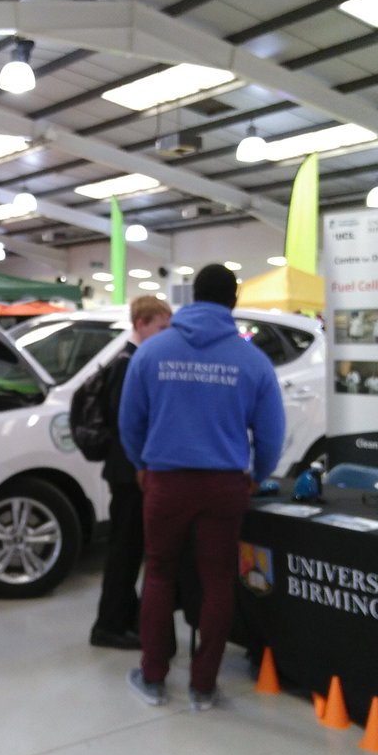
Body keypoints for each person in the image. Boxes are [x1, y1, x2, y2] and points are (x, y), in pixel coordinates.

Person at [119, 263, 285, 711]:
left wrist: (142, 464)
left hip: (166, 482)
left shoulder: (152, 353)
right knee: (217, 581)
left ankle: (153, 677)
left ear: (191, 297)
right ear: (233, 302)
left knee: (158, 573)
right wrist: (256, 474)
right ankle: (204, 687)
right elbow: (271, 436)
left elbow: (129, 422)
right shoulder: (252, 360)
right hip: (225, 486)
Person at [89, 296, 171, 650]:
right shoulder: (128, 364)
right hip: (128, 471)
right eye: (161, 328)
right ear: (141, 323)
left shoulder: (132, 360)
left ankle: (123, 617)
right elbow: (128, 421)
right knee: (125, 550)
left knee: (130, 548)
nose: (166, 336)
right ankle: (109, 624)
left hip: (128, 468)